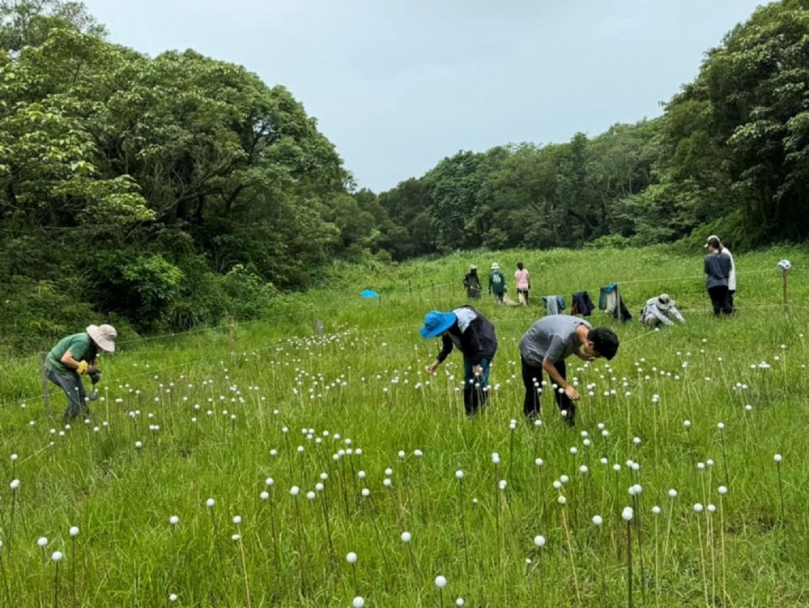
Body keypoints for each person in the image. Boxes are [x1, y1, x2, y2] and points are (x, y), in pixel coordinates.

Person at [519, 315, 619, 426]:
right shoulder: (562, 338)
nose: (596, 357)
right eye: (598, 355)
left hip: (553, 348)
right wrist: (566, 386)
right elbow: (547, 364)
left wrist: (581, 355)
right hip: (532, 349)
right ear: (590, 344)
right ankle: (531, 422)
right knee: (534, 390)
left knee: (562, 390)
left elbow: (573, 342)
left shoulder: (586, 329)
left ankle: (570, 424)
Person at [421, 306, 498, 415]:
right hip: (470, 346)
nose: (436, 335)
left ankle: (480, 412)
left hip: (484, 343)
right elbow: (447, 347)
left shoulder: (463, 323)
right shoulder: (446, 327)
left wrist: (476, 364)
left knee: (479, 378)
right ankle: (469, 413)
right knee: (468, 378)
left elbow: (475, 343)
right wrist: (436, 362)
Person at [44, 324, 117, 423]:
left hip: (68, 368)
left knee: (81, 397)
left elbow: (89, 362)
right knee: (76, 401)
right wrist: (87, 369)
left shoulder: (92, 346)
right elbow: (66, 359)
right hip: (56, 367)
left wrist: (93, 372)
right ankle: (67, 425)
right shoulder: (83, 342)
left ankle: (85, 420)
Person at [705, 235, 736, 310]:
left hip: (722, 281)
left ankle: (724, 312)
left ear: (711, 246)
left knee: (723, 301)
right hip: (725, 281)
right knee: (726, 301)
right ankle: (728, 312)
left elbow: (708, 270)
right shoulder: (724, 253)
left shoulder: (723, 253)